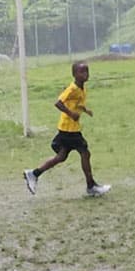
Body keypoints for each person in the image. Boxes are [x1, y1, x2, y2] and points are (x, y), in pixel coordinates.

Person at [23, 61, 111, 197]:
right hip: (69, 130)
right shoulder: (72, 88)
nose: (85, 74)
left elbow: (77, 103)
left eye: (87, 71)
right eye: (82, 72)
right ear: (75, 74)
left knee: (61, 156)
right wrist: (71, 114)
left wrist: (85, 110)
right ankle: (91, 186)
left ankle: (34, 174)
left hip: (69, 129)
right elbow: (58, 103)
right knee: (85, 153)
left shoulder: (82, 88)